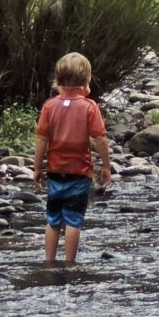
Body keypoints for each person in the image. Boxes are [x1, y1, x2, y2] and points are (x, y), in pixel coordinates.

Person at [34, 52, 112, 266]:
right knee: (73, 220)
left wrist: (36, 168)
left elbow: (42, 139)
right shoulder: (89, 107)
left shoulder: (49, 106)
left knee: (53, 220)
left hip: (54, 171)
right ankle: (70, 264)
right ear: (86, 84)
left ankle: (49, 261)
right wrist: (106, 166)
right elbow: (100, 139)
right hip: (79, 172)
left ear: (58, 81)